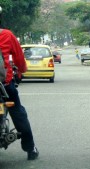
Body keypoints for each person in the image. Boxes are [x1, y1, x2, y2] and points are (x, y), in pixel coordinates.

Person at [0, 6, 39, 160]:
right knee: (18, 112)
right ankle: (30, 149)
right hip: (4, 84)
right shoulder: (7, 35)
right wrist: (22, 70)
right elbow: (19, 60)